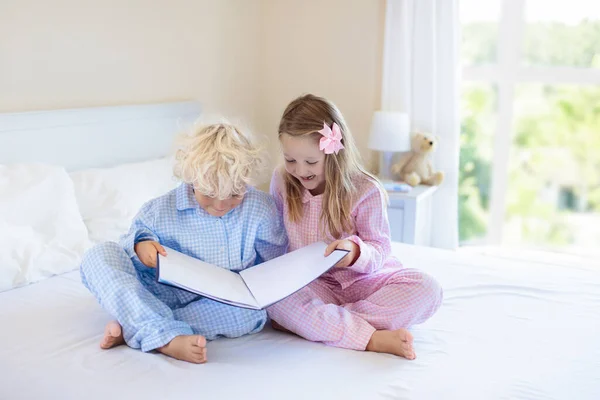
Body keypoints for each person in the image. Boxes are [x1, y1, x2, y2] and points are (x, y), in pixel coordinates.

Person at [80, 122, 288, 364]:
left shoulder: (260, 209)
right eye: (209, 193)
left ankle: (140, 327)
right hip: (155, 290)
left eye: (234, 193)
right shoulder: (161, 209)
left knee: (253, 314)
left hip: (213, 304)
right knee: (99, 254)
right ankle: (158, 331)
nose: (220, 204)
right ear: (192, 178)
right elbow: (134, 236)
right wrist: (142, 246)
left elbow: (274, 261)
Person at [267, 94, 443, 360]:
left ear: (334, 152)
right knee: (275, 299)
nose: (300, 171)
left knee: (428, 289)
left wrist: (355, 252)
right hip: (313, 285)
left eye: (311, 162)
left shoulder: (366, 189)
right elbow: (274, 237)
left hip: (364, 281)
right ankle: (370, 336)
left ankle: (322, 324)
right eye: (290, 160)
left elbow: (380, 248)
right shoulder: (282, 181)